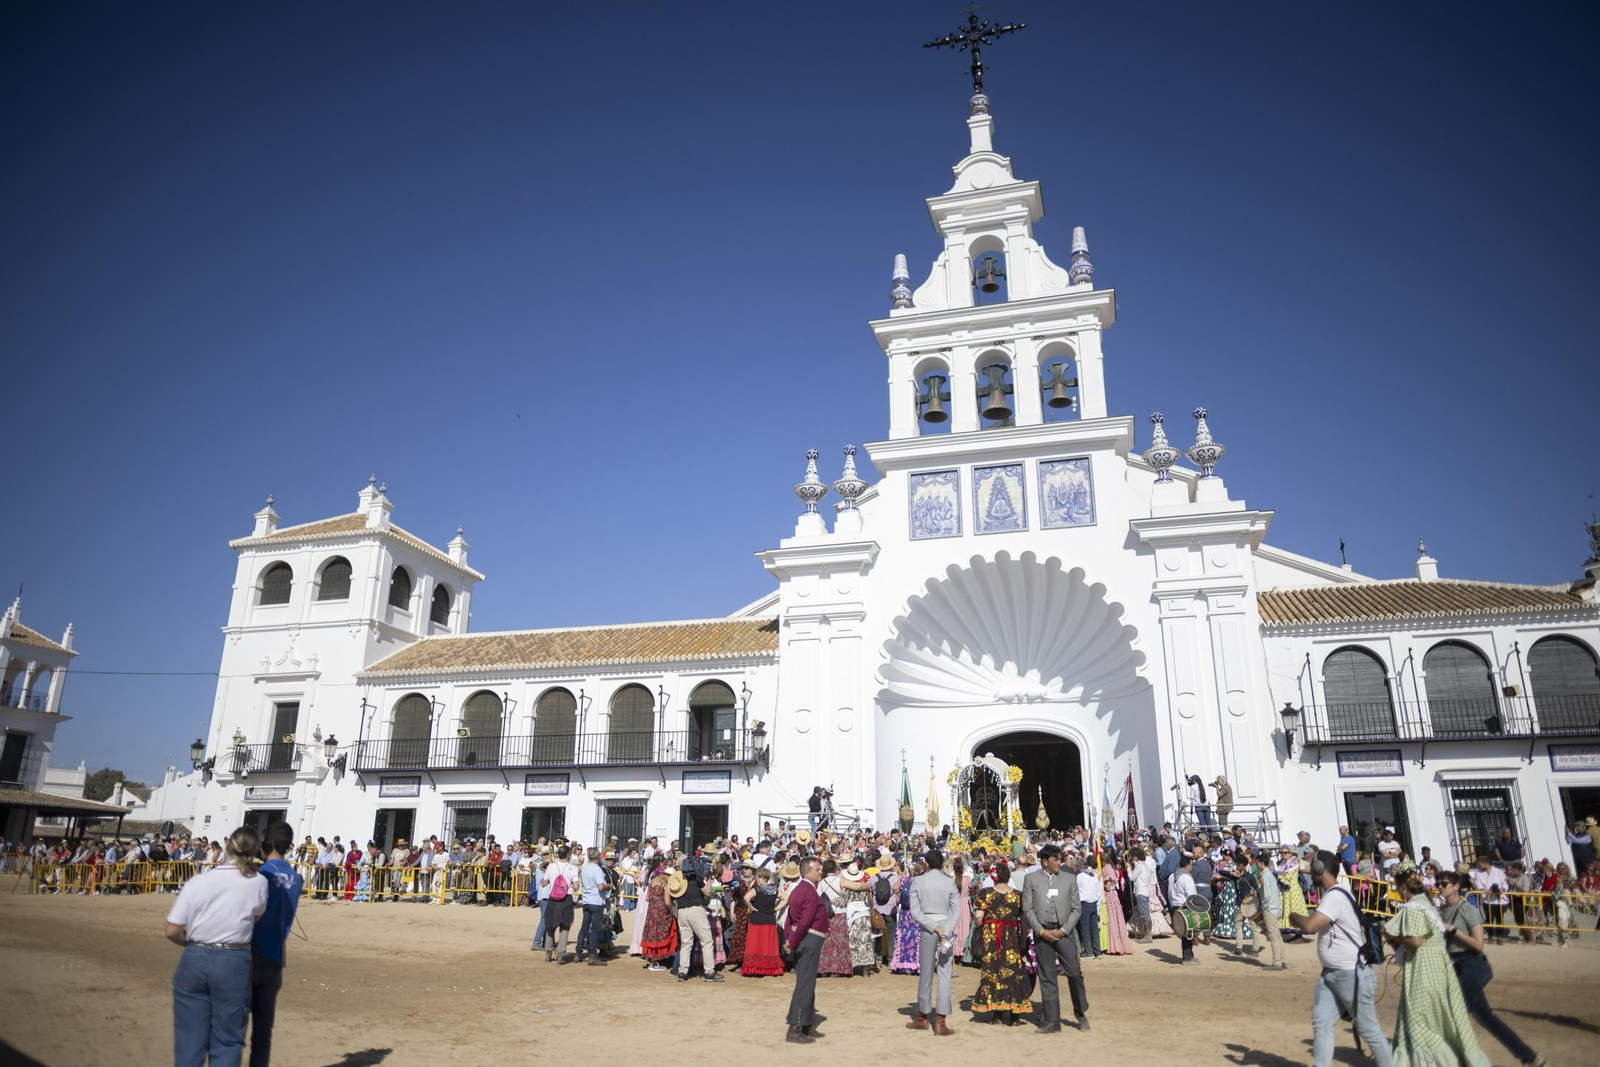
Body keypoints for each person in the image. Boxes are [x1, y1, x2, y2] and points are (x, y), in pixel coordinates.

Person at [166, 827, 270, 1067]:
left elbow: (172, 930)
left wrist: (192, 944)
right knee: (228, 1040)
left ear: (227, 847)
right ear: (255, 851)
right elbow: (256, 917)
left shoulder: (199, 881)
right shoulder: (259, 883)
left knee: (189, 1040)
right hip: (233, 959)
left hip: (195, 954)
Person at [1290, 851, 1393, 1067]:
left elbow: (1309, 926)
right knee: (1321, 1022)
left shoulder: (1335, 896)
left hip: (1349, 973)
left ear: (1319, 869)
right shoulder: (1336, 893)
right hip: (1332, 974)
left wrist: (1293, 916)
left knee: (1368, 1029)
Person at [1383, 867, 1491, 1067]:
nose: (1397, 891)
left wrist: (1391, 935)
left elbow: (1416, 941)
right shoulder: (1429, 905)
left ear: (1404, 887)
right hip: (1440, 968)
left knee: (1419, 1017)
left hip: (1422, 969)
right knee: (1440, 1017)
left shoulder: (1413, 907)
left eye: (1398, 887)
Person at [1438, 873, 1544, 1066]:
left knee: (1453, 1012)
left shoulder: (1468, 909)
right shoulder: (1443, 911)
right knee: (1487, 1018)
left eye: (1444, 884)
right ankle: (1530, 1057)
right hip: (1455, 967)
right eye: (1438, 884)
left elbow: (1478, 945)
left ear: (1455, 886)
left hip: (1473, 965)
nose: (1440, 887)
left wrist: (1453, 930)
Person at [249, 822, 302, 1067]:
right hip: (275, 955)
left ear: (266, 844)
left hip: (250, 952)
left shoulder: (260, 874)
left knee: (234, 1027)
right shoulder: (296, 878)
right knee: (263, 1031)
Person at [1021, 844, 1089, 1034]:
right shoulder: (1031, 879)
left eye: (1060, 858)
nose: (1060, 862)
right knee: (1047, 976)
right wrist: (1041, 931)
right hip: (1043, 932)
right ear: (1045, 862)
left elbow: (1077, 909)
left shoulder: (1069, 878)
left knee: (1074, 972)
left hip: (1064, 933)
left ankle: (1080, 1011)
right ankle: (1052, 1020)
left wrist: (1065, 929)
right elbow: (1028, 909)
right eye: (1056, 859)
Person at [907, 848, 959, 1035]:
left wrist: (932, 926)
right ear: (942, 863)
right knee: (945, 973)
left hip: (927, 928)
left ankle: (922, 1018)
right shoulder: (949, 882)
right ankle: (941, 1021)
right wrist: (946, 930)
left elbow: (915, 911)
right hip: (946, 925)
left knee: (926, 972)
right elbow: (956, 911)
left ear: (927, 864)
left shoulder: (918, 881)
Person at [970, 863, 1030, 1025]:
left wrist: (980, 926)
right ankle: (1014, 1015)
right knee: (1012, 971)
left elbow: (978, 916)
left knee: (993, 970)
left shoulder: (986, 894)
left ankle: (996, 1014)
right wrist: (1023, 941)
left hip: (992, 937)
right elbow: (1024, 920)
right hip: (1011, 937)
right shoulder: (1018, 895)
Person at [783, 856, 828, 1044]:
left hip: (804, 939)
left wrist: (789, 940)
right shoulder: (808, 892)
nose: (820, 872)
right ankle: (795, 1027)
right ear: (807, 872)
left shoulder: (797, 890)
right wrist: (792, 942)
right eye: (817, 869)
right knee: (805, 983)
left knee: (807, 981)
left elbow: (789, 919)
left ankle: (807, 1024)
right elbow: (804, 922)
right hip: (809, 939)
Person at [671, 859, 723, 982]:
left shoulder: (678, 880)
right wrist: (710, 879)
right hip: (696, 910)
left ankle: (683, 972)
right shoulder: (696, 879)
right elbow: (708, 892)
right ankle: (709, 972)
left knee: (686, 943)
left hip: (682, 911)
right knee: (707, 941)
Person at [1244, 849, 1286, 970]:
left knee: (1273, 936)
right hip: (1275, 908)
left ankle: (1277, 963)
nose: (1257, 864)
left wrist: (1262, 906)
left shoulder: (1265, 876)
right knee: (1276, 935)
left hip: (1269, 909)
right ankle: (1281, 960)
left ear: (1261, 863)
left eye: (1258, 863)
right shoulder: (1269, 875)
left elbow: (1266, 895)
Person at [539, 845, 579, 963]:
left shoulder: (551, 866)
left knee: (550, 927)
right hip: (566, 899)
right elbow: (576, 887)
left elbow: (543, 883)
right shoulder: (573, 868)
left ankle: (548, 952)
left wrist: (546, 873)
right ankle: (561, 954)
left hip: (553, 899)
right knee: (565, 927)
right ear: (568, 855)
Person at [577, 848, 609, 965]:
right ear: (598, 857)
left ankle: (578, 952)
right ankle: (592, 955)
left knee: (584, 927)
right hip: (596, 901)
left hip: (586, 900)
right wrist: (608, 886)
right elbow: (601, 887)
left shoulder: (585, 868)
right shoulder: (597, 870)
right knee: (595, 929)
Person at [1168, 854, 1199, 964]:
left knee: (1185, 932)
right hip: (1185, 906)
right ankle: (1187, 957)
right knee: (1187, 933)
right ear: (1187, 865)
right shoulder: (1186, 877)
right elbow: (1191, 896)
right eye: (1191, 865)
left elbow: (1170, 893)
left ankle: (1189, 954)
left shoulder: (1172, 876)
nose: (1192, 867)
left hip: (1176, 905)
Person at [1074, 856, 1102, 959]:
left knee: (1085, 928)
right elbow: (1098, 892)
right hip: (1093, 903)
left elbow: (1076, 891)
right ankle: (1097, 951)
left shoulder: (1080, 876)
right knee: (1094, 928)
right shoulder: (1093, 876)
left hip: (1084, 904)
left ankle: (1089, 951)